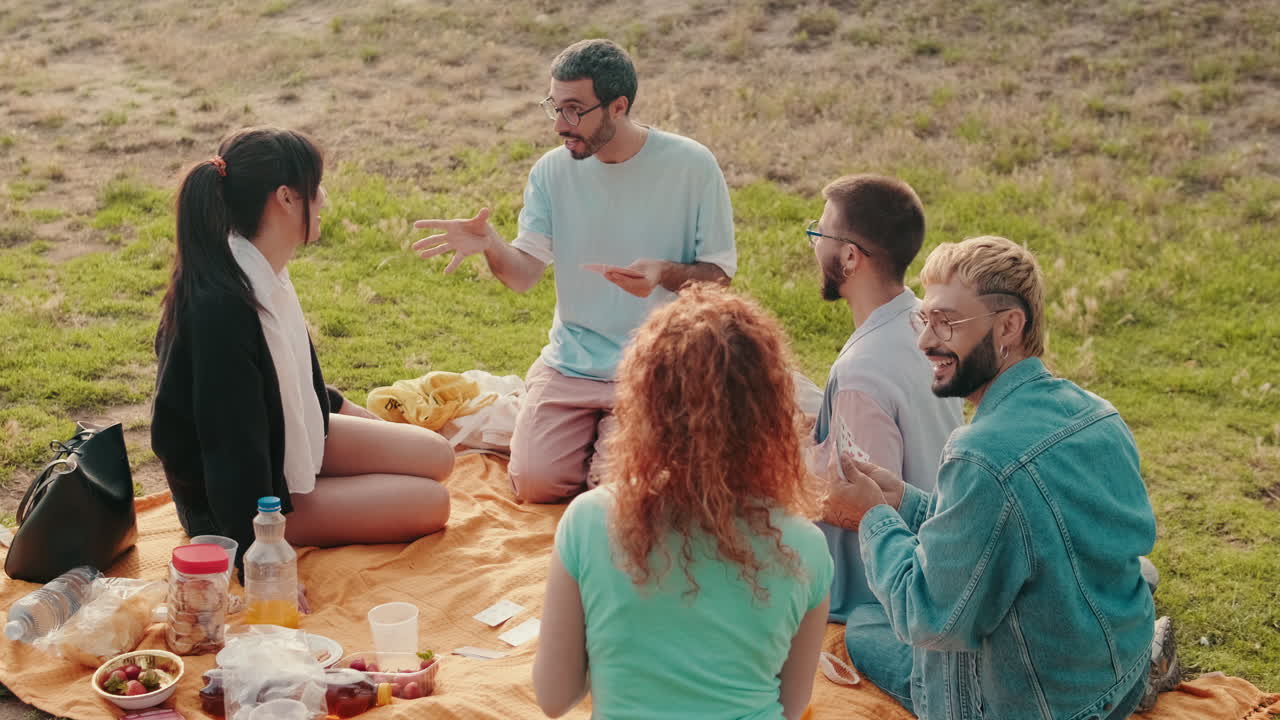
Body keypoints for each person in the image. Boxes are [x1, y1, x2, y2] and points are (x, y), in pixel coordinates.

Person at [826, 235, 1179, 719]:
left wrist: (875, 517)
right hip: (1120, 676)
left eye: (946, 323)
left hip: (1035, 707)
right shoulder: (1097, 412)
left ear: (1009, 326)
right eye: (925, 319)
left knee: (867, 623)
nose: (926, 341)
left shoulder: (980, 455)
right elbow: (1020, 523)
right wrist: (905, 502)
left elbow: (926, 616)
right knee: (1132, 571)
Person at [412, 39, 736, 503]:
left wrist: (664, 273)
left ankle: (609, 437)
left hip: (657, 363)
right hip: (571, 362)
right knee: (536, 486)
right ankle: (575, 428)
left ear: (618, 106)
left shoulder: (692, 165)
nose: (561, 125)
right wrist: (491, 245)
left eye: (574, 110)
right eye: (555, 107)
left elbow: (719, 276)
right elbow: (523, 276)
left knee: (618, 498)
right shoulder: (551, 173)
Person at [151, 127, 454, 568]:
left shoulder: (259, 267)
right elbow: (230, 448)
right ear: (286, 198)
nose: (324, 198)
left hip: (286, 438)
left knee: (437, 454)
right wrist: (260, 556)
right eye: (315, 187)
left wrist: (339, 405)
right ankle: (282, 520)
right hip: (239, 500)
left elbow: (285, 377)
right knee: (431, 503)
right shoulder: (222, 305)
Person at [533, 284, 832, 720]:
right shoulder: (806, 549)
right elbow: (792, 705)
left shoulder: (589, 520)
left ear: (644, 404)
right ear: (771, 416)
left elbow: (554, 697)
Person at [803, 175, 963, 704]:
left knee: (866, 633)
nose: (813, 245)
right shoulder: (924, 323)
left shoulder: (862, 373)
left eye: (818, 235)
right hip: (947, 516)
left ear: (849, 258)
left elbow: (864, 508)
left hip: (890, 583)